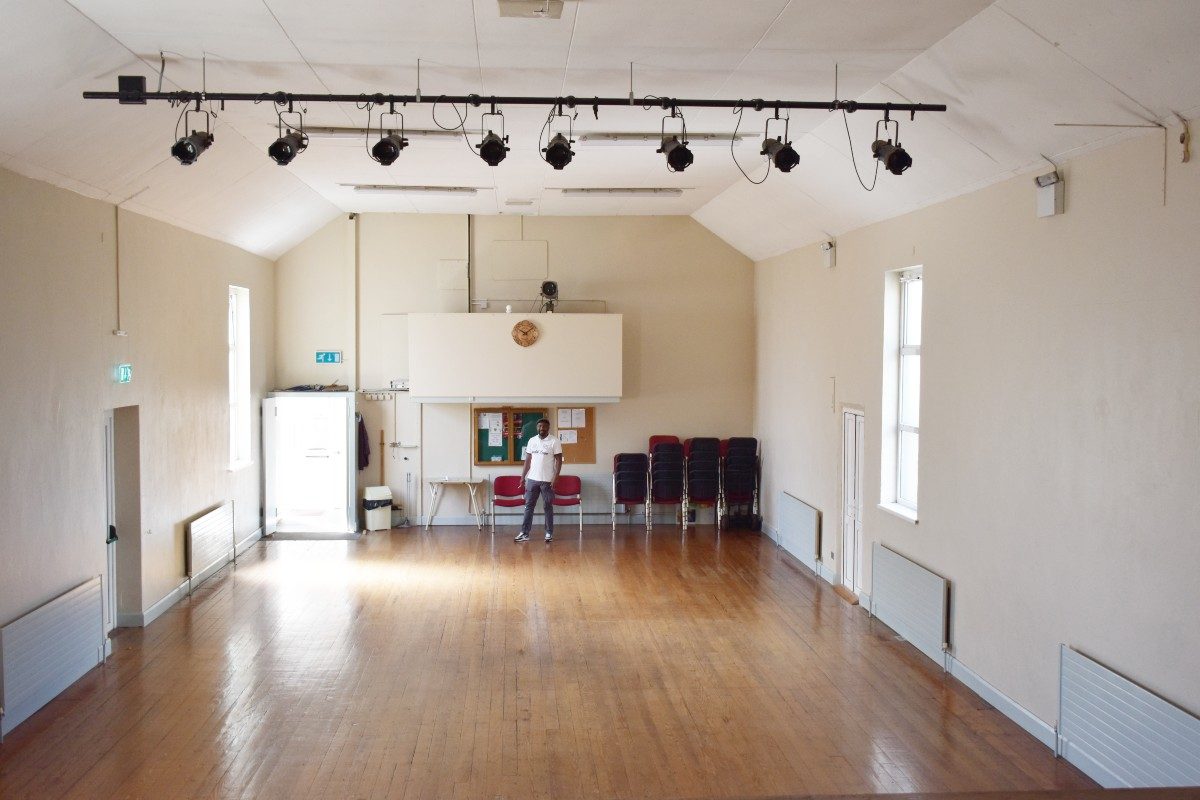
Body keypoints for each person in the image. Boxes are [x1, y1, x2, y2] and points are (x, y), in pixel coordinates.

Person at [516, 418, 562, 542]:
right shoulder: (532, 441)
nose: (542, 428)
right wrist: (522, 477)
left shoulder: (554, 441)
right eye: (540, 426)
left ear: (548, 427)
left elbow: (559, 461)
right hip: (532, 480)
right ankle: (524, 533)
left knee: (548, 506)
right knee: (528, 506)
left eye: (544, 426)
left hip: (547, 481)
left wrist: (555, 478)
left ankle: (549, 533)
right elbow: (527, 460)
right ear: (537, 428)